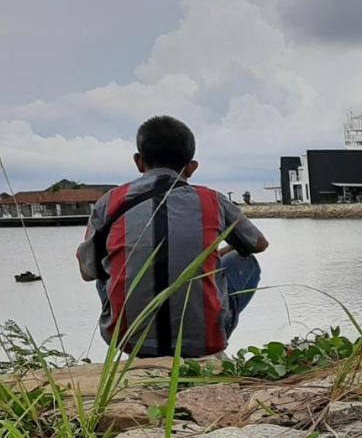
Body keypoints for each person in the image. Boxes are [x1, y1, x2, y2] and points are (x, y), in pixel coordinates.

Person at [76, 116, 269, 357]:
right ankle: (209, 340)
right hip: (203, 341)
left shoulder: (110, 202)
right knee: (245, 261)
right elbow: (258, 245)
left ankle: (136, 335)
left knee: (103, 268)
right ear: (191, 167)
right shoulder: (212, 201)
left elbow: (87, 272)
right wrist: (218, 254)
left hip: (130, 341)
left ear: (139, 161)